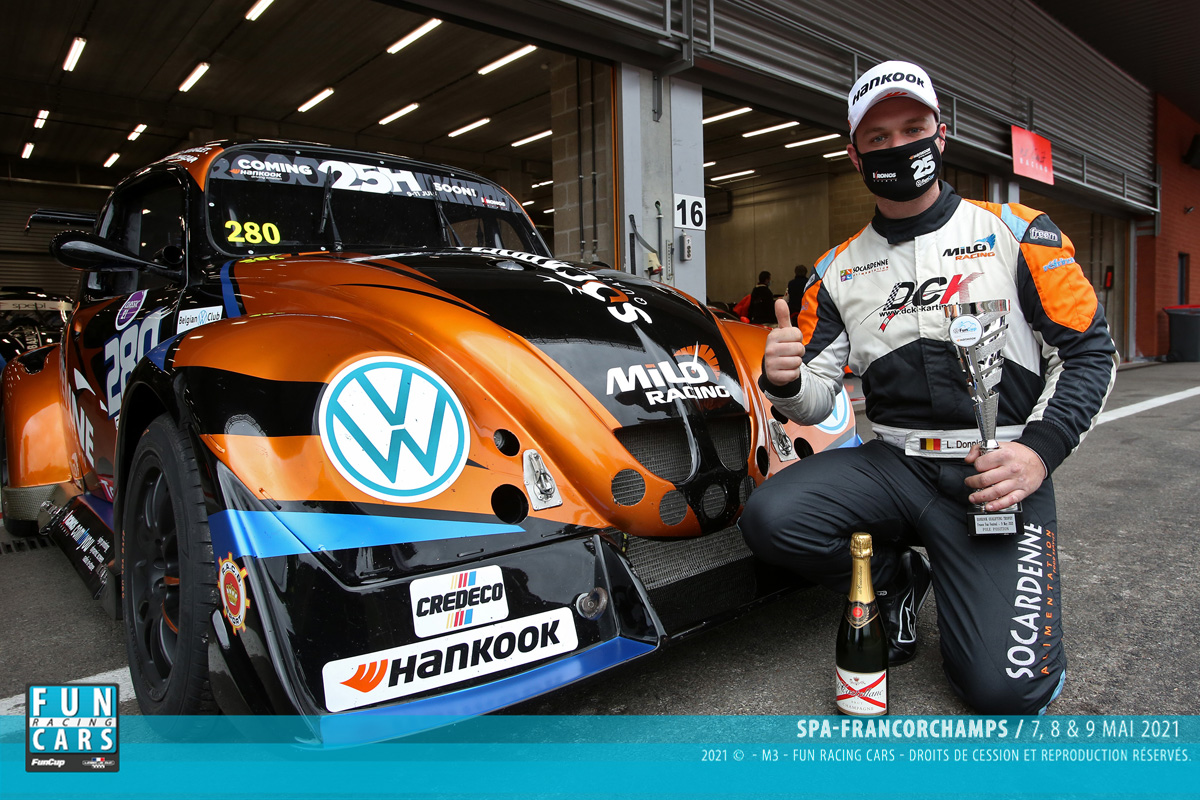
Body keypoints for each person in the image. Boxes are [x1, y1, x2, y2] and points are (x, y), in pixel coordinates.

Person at [739, 60, 1117, 715]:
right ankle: (895, 578)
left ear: (941, 136)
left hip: (994, 472)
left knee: (1007, 691)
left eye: (913, 129)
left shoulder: (1020, 232)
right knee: (772, 519)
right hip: (893, 465)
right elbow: (819, 397)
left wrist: (1038, 453)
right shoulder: (834, 270)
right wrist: (788, 382)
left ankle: (972, 574)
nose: (898, 146)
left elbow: (1089, 354)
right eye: (878, 138)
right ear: (855, 155)